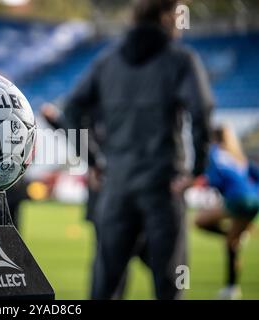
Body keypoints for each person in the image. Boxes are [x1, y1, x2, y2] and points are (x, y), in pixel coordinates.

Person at [42, 0, 213, 299]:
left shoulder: (107, 61)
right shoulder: (181, 59)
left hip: (116, 187)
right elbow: (202, 111)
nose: (181, 23)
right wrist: (196, 170)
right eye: (178, 15)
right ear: (164, 16)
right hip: (163, 186)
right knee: (172, 281)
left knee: (105, 283)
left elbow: (71, 109)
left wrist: (93, 160)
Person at [195, 125, 259, 300]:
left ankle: (231, 234)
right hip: (255, 200)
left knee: (199, 221)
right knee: (232, 243)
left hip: (238, 199)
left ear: (214, 138)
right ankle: (232, 288)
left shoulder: (214, 153)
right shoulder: (237, 155)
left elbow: (214, 178)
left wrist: (207, 184)